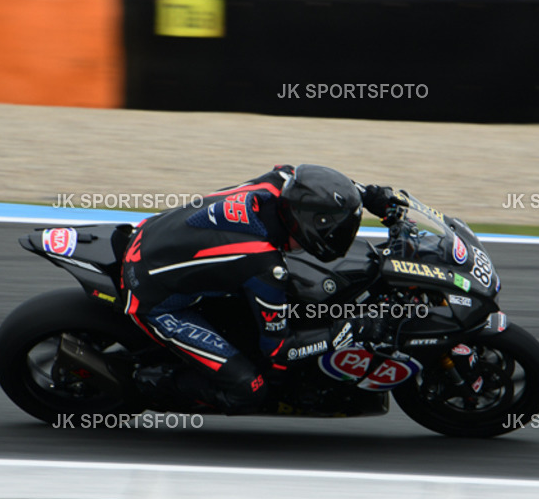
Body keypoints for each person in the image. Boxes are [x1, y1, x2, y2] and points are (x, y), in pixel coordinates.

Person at [119, 163, 404, 414]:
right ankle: (148, 383)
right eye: (333, 231)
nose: (338, 236)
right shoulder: (264, 265)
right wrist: (350, 329)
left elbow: (319, 189)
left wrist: (369, 196)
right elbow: (279, 351)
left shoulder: (281, 181)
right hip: (156, 299)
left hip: (152, 232)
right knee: (249, 390)